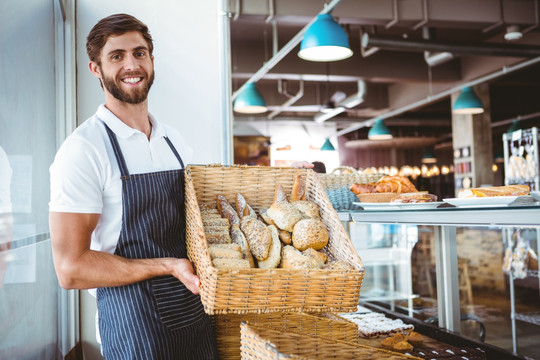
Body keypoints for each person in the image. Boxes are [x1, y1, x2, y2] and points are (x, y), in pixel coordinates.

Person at [49, 14, 218, 359]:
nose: (132, 65)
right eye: (117, 56)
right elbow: (70, 269)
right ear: (96, 68)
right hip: (134, 325)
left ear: (152, 60)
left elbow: (203, 215)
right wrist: (167, 265)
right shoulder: (84, 148)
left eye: (140, 53)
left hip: (194, 313)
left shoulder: (173, 141)